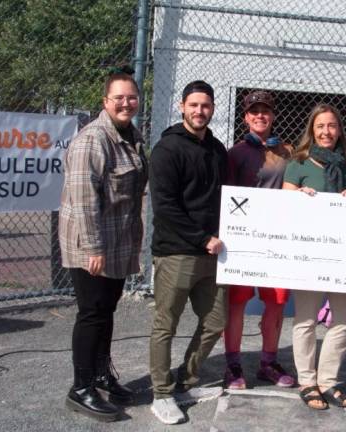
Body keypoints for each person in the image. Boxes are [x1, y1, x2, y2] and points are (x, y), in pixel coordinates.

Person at [59, 67, 148, 422]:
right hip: (92, 245)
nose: (126, 103)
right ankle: (80, 388)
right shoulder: (93, 140)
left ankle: (100, 375)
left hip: (118, 241)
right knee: (92, 314)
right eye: (119, 98)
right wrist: (94, 248)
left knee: (107, 312)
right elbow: (83, 199)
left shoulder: (131, 135)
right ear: (105, 102)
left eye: (131, 97)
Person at [148, 80, 228, 425]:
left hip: (213, 254)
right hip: (177, 252)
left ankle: (186, 382)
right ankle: (161, 394)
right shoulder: (167, 149)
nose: (200, 111)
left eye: (206, 106)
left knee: (215, 322)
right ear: (182, 107)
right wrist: (201, 238)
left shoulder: (217, 149)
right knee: (166, 324)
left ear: (212, 109)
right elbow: (164, 206)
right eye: (193, 105)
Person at [282, 103, 346, 410]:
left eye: (331, 125)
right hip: (309, 255)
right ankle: (307, 381)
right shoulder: (299, 163)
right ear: (312, 130)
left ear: (339, 129)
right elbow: (283, 205)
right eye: (320, 126)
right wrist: (297, 197)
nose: (326, 131)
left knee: (344, 320)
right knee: (305, 320)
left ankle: (328, 380)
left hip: (344, 257)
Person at [223, 90, 295, 389]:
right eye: (254, 111)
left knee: (276, 303)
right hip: (242, 242)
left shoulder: (288, 152)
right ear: (246, 118)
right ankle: (233, 365)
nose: (260, 115)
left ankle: (268, 362)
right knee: (237, 303)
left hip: (277, 241)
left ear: (273, 115)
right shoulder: (235, 153)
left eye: (265, 110)